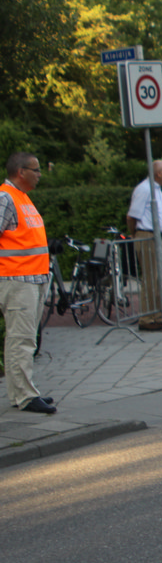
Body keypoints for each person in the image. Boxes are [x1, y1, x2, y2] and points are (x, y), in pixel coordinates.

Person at [0, 152, 56, 414]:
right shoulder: (6, 197)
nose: (40, 175)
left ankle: (21, 393)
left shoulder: (22, 197)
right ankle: (25, 397)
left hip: (31, 278)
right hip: (17, 279)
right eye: (36, 170)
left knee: (25, 339)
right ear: (20, 172)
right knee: (21, 340)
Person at [125, 159, 162, 331]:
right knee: (151, 278)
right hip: (147, 236)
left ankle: (157, 314)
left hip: (157, 237)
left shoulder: (156, 189)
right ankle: (147, 317)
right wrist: (134, 234)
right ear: (158, 173)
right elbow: (132, 216)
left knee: (158, 278)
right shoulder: (145, 189)